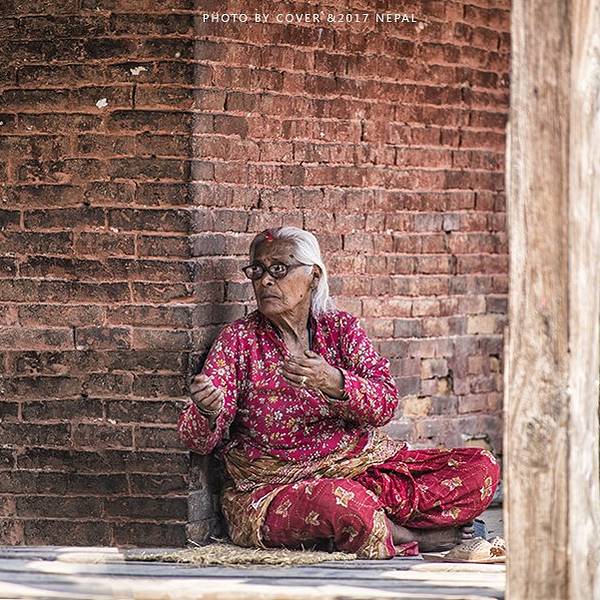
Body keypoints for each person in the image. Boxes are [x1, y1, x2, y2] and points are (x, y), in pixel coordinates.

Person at [178, 226, 500, 559]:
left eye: (279, 269)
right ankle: (412, 536)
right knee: (341, 502)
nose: (265, 281)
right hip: (275, 490)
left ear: (313, 276)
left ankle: (366, 525)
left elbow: (385, 403)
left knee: (481, 468)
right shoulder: (239, 341)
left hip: (359, 470)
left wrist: (335, 382)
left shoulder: (340, 329)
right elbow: (197, 440)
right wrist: (206, 411)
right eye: (257, 271)